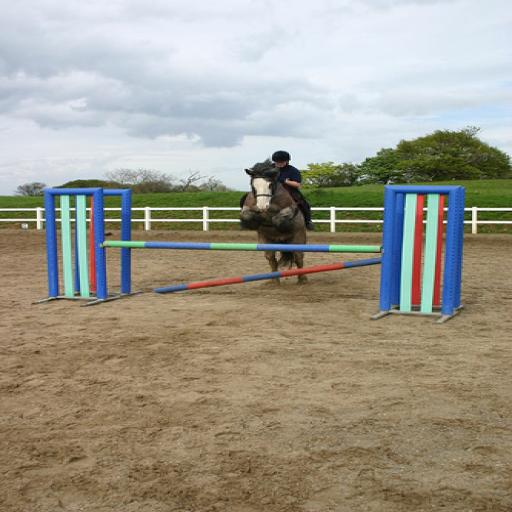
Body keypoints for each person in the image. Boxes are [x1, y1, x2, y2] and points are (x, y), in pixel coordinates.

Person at [271, 150, 315, 230]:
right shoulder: (269, 168)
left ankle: (307, 221)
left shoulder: (293, 170)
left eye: (281, 162)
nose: (279, 163)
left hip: (289, 190)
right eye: (277, 162)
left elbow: (297, 184)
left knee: (304, 204)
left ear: (287, 161)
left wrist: (285, 181)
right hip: (271, 190)